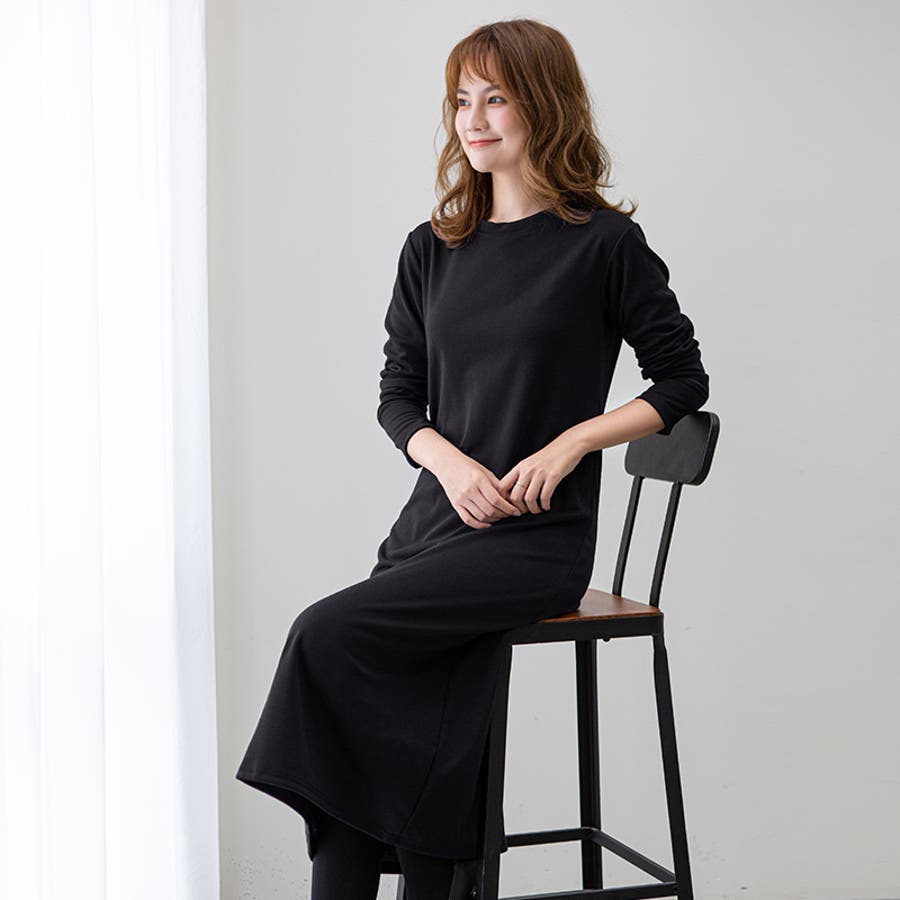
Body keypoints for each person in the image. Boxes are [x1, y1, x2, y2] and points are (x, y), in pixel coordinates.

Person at [235, 17, 710, 900]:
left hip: (534, 541)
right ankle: (435, 881)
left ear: (545, 106)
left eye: (497, 97)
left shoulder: (602, 245)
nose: (474, 119)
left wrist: (573, 442)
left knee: (323, 636)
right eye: (462, 100)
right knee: (379, 691)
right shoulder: (432, 248)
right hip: (432, 526)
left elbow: (681, 378)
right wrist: (449, 466)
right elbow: (398, 394)